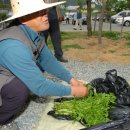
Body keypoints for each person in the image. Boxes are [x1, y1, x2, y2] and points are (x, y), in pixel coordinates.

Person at [0, 0, 89, 129]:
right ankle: (2, 119)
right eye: (38, 13)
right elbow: (40, 87)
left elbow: (48, 60)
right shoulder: (13, 47)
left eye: (44, 10)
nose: (45, 14)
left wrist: (71, 79)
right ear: (23, 19)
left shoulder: (32, 32)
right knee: (20, 87)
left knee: (30, 74)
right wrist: (74, 91)